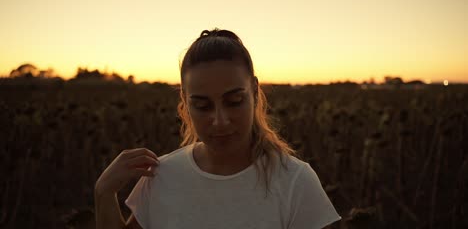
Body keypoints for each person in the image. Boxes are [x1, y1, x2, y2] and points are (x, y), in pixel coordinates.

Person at [94, 29, 341, 229]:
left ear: (254, 91)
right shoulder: (162, 177)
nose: (220, 121)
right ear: (184, 99)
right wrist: (104, 193)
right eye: (202, 106)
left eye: (234, 102)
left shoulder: (294, 181)